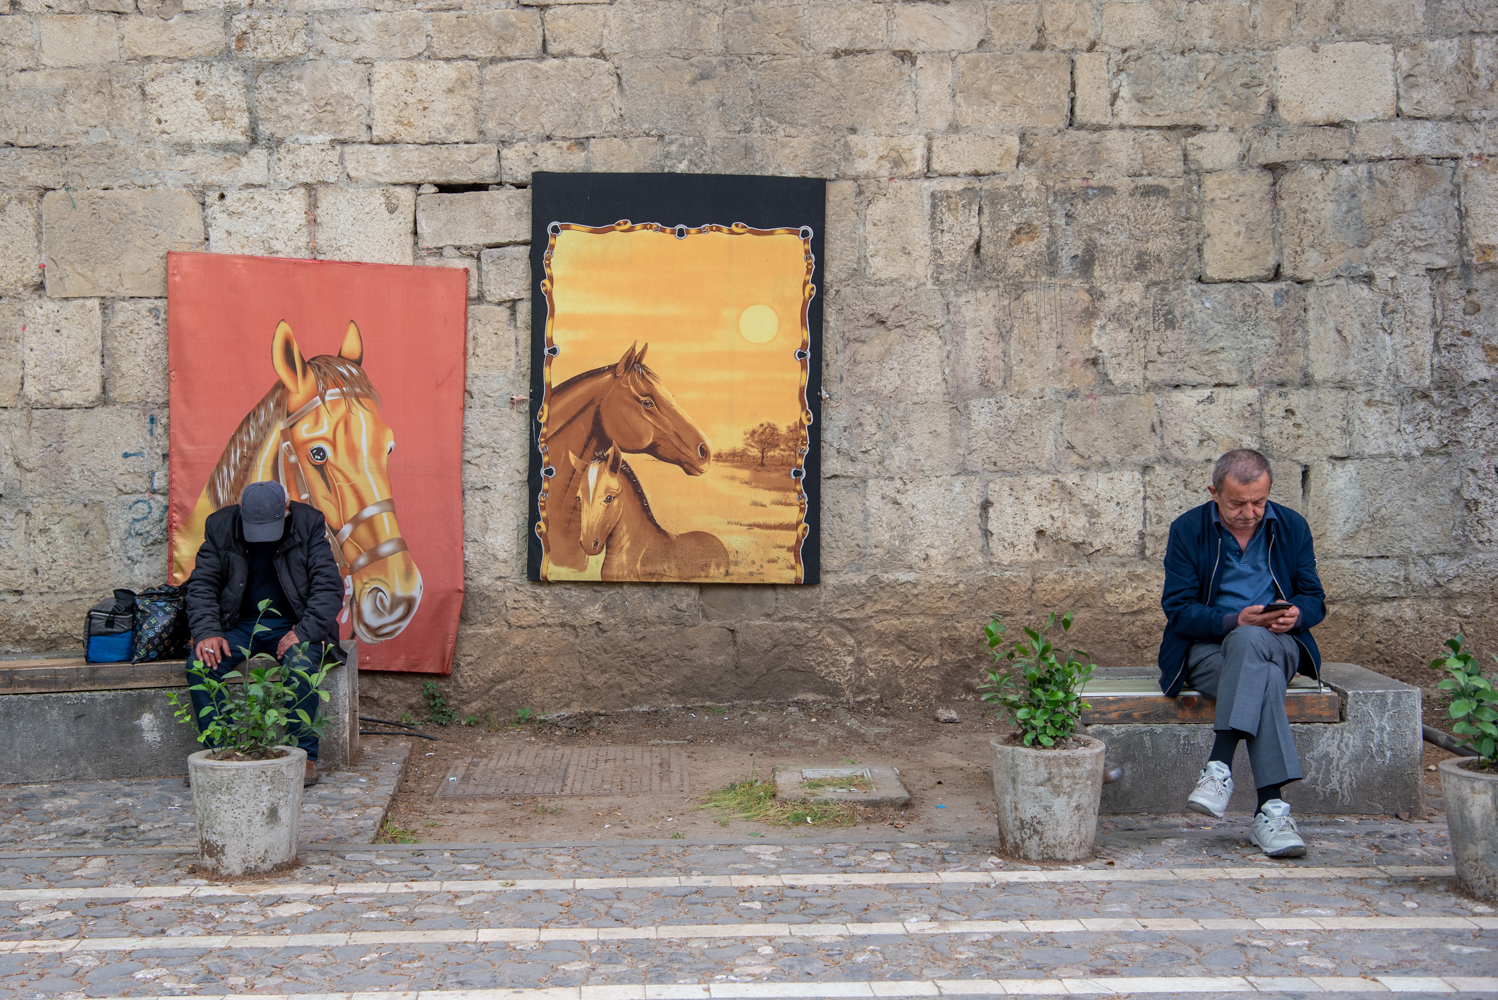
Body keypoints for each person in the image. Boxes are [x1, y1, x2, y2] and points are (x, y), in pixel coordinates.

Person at [1158, 449, 1327, 858]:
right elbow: (1178, 610)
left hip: (1279, 644)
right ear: (1214, 492)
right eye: (1238, 503)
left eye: (1259, 502)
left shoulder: (1291, 526)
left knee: (1253, 645)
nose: (1250, 512)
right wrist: (1235, 621)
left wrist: (1298, 614)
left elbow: (1315, 598)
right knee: (1259, 673)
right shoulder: (1187, 530)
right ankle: (1271, 810)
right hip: (1208, 650)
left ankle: (1218, 768)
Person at [184, 480, 346, 786]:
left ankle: (305, 756)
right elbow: (202, 584)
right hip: (238, 624)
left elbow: (328, 586)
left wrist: (305, 630)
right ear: (241, 511)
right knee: (200, 665)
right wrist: (207, 631)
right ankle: (222, 753)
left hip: (294, 623)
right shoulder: (220, 526)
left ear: (286, 509)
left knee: (300, 667)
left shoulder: (308, 523)